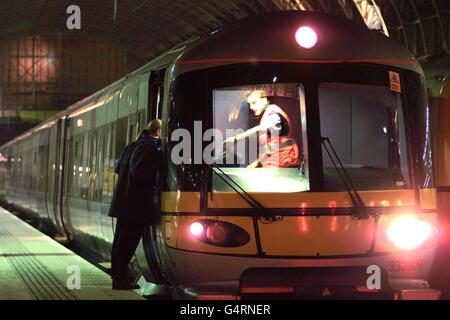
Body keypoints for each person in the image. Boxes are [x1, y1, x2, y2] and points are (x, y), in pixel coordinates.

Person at [110, 119, 163, 290]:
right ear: (158, 132)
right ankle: (120, 280)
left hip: (124, 201)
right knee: (127, 243)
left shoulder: (134, 144)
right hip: (136, 204)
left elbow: (118, 169)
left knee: (121, 241)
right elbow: (139, 172)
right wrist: (158, 164)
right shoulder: (149, 146)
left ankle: (119, 277)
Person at [224, 90, 299, 168]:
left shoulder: (273, 114)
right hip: (273, 162)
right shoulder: (267, 113)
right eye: (249, 104)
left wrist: (236, 138)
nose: (251, 107)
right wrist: (257, 162)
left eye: (254, 103)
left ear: (264, 100)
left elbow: (261, 129)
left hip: (282, 163)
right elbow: (271, 146)